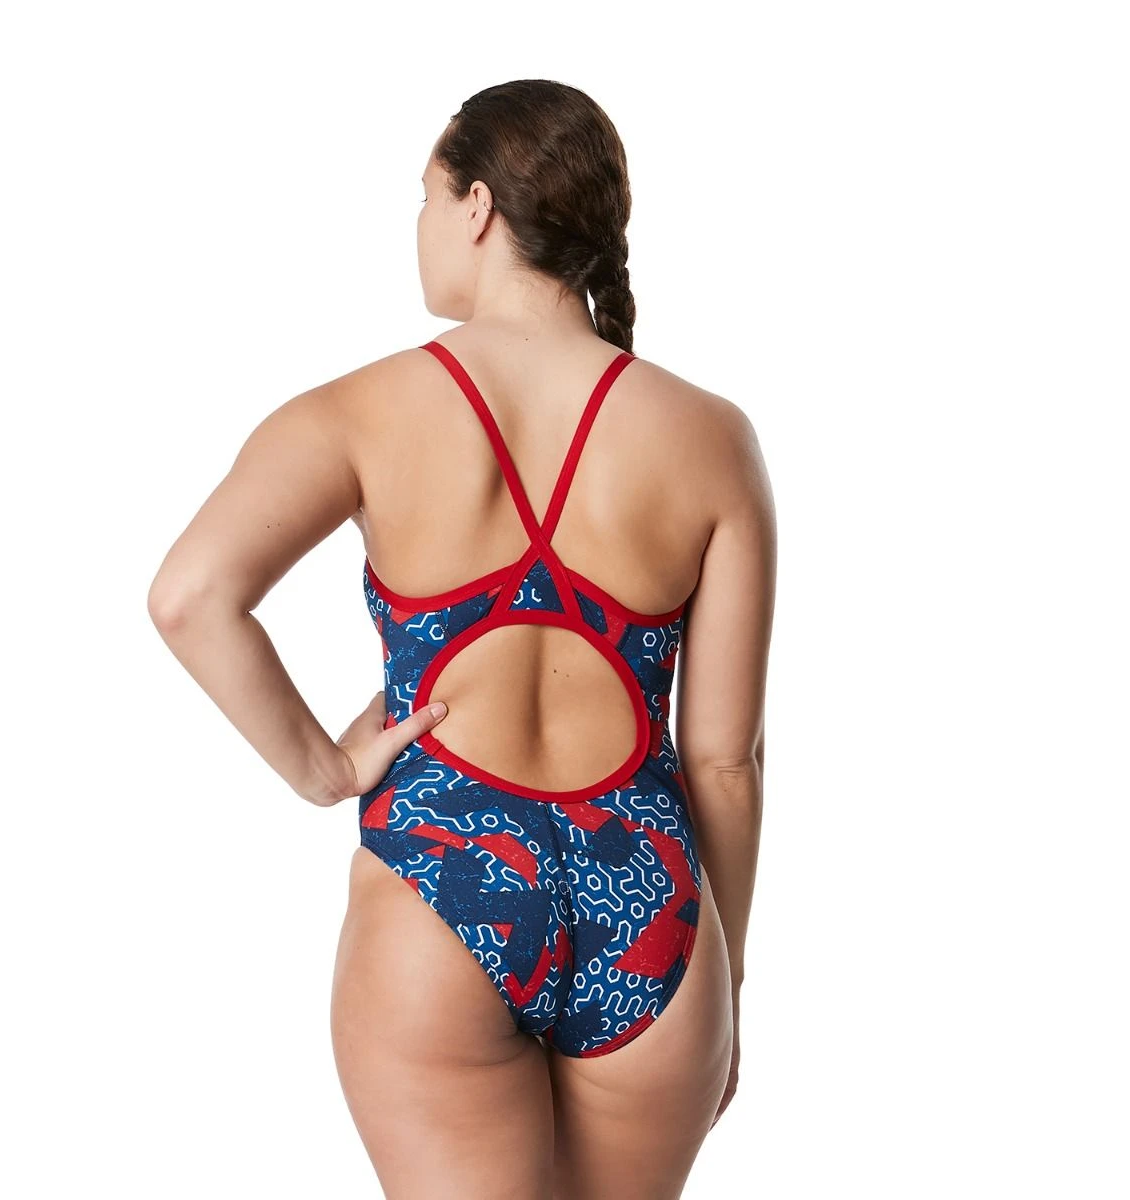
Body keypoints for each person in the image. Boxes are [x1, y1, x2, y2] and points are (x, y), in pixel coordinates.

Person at [149, 78, 775, 1200]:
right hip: (653, 913)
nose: (422, 223)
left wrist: (324, 769)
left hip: (444, 882)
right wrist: (725, 983)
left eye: (426, 196)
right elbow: (726, 761)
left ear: (478, 206)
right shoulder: (713, 437)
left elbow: (191, 595)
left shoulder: (362, 410)